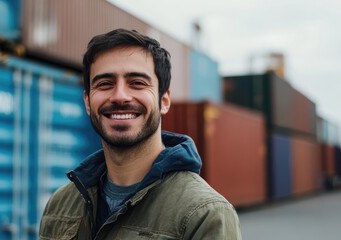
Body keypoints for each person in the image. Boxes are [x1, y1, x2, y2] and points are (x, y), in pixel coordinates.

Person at [39, 28, 242, 239]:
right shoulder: (60, 206)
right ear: (88, 102)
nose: (120, 96)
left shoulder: (204, 214)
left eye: (137, 83)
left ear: (164, 100)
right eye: (105, 84)